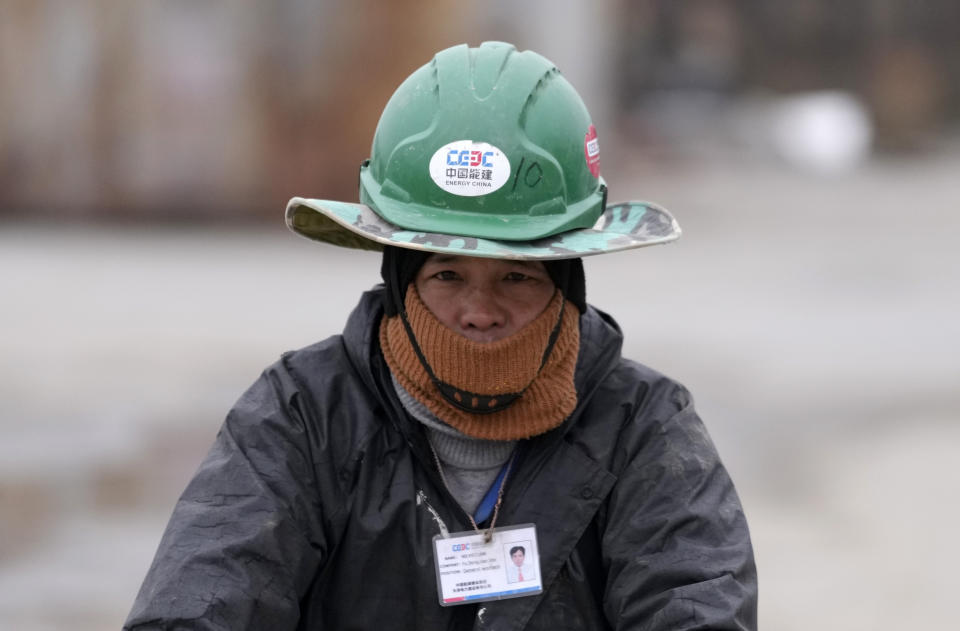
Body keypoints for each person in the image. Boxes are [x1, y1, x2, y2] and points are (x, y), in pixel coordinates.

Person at [125, 41, 757, 630]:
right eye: (447, 274)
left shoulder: (642, 426)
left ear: (567, 282)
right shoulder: (302, 415)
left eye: (517, 276)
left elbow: (696, 606)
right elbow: (201, 597)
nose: (480, 311)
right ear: (401, 279)